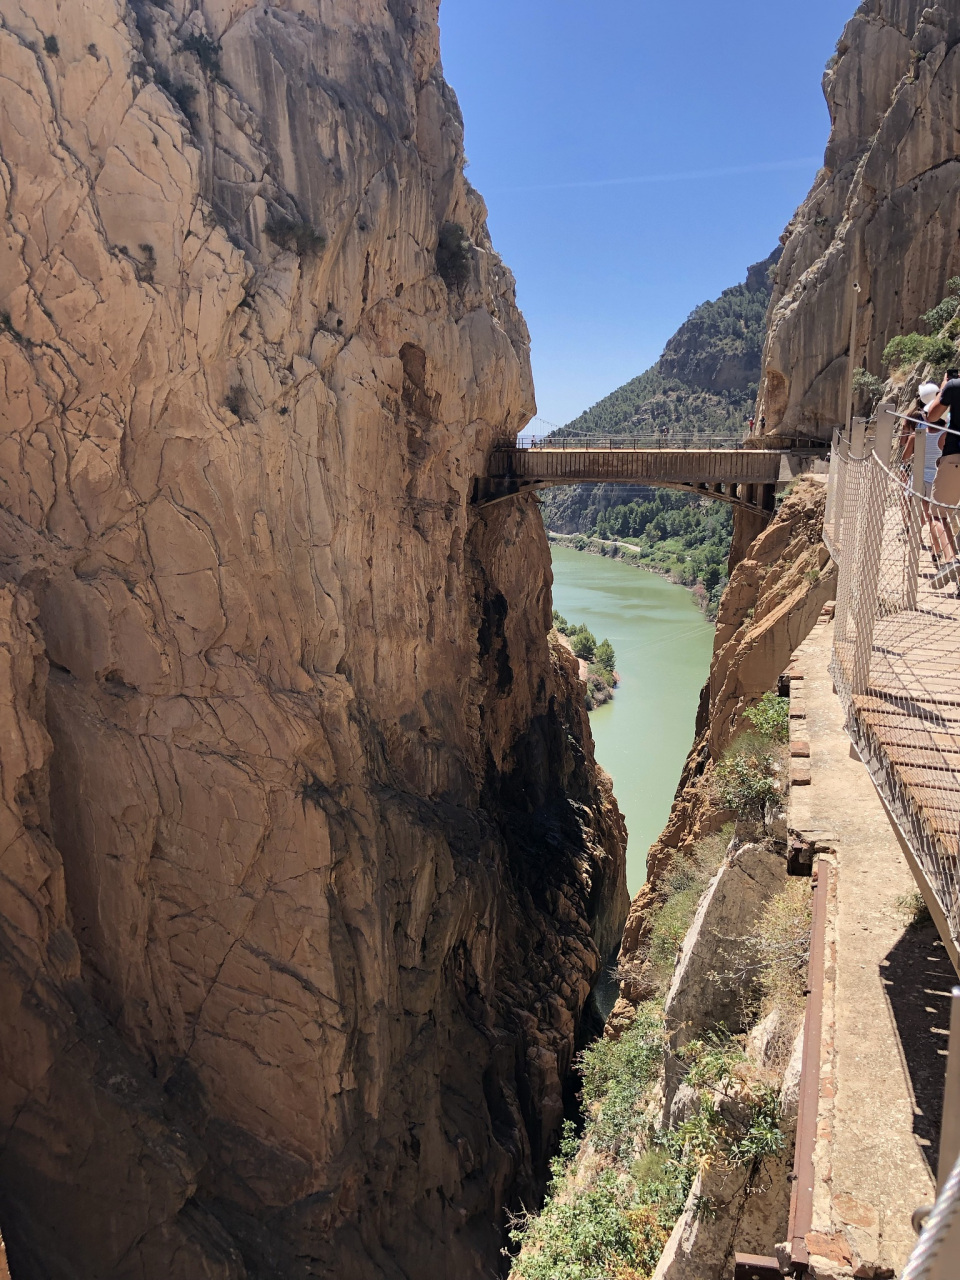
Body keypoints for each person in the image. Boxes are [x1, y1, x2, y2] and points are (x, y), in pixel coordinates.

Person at [924, 370, 960, 587]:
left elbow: (932, 417)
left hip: (956, 456)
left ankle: (950, 560)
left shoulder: (955, 386)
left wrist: (944, 387)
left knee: (938, 514)